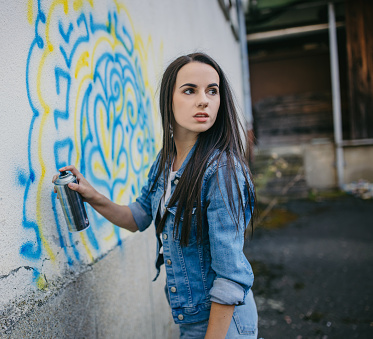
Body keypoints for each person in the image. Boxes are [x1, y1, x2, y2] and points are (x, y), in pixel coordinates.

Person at [53, 52, 257, 338]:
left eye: (212, 90)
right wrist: (90, 194)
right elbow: (138, 216)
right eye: (190, 90)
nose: (204, 100)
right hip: (193, 320)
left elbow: (230, 275)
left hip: (224, 323)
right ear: (168, 100)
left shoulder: (222, 170)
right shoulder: (166, 161)